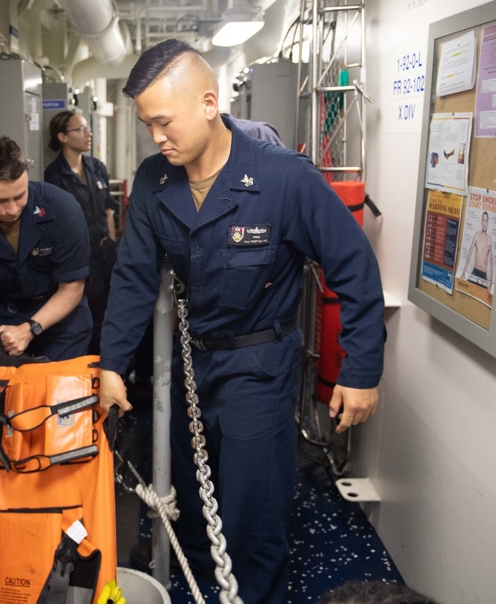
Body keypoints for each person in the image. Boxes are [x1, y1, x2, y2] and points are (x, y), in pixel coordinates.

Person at [97, 39, 385, 603]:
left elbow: (354, 268)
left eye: (164, 122)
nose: (156, 137)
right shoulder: (156, 182)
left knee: (253, 514)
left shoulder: (284, 179)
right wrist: (111, 365)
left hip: (260, 365)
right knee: (191, 499)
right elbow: (131, 278)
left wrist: (361, 370)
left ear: (208, 103)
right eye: (147, 125)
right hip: (187, 367)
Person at [0, 136, 93, 419]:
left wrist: (29, 330)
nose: (12, 209)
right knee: (6, 414)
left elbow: (72, 287)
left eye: (19, 196)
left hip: (61, 314)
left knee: (60, 412)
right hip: (4, 313)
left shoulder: (62, 208)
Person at [44, 110, 119, 354]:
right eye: (81, 129)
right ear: (63, 137)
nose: (89, 134)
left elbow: (108, 209)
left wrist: (113, 245)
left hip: (105, 252)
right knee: (88, 317)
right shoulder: (54, 176)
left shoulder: (96, 167)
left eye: (88, 128)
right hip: (80, 257)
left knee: (112, 311)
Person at [461, 210, 493, 285]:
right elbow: (469, 253)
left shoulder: (489, 239)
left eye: (486, 221)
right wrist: (463, 272)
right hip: (474, 272)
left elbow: (491, 262)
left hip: (483, 275)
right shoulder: (476, 235)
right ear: (481, 221)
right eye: (483, 220)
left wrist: (490, 283)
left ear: (488, 223)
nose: (485, 223)